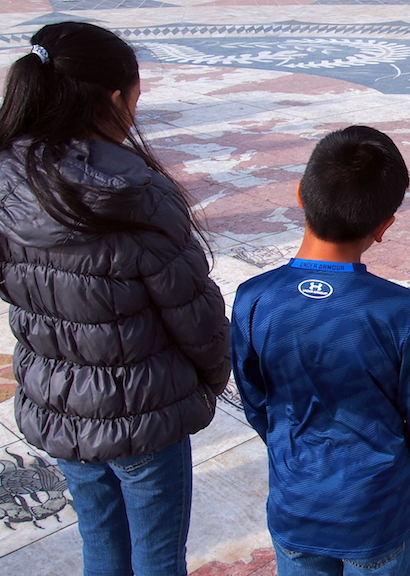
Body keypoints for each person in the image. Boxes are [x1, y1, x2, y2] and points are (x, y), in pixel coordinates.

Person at [0, 22, 230, 576]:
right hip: (142, 413)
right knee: (156, 556)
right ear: (113, 98)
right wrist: (212, 377)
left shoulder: (7, 176)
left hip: (55, 403)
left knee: (100, 543)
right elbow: (193, 313)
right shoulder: (134, 192)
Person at [231, 125, 410, 576]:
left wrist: (291, 452)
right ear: (384, 226)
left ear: (300, 194)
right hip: (375, 508)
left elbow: (255, 403)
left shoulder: (254, 298)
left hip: (296, 499)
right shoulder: (401, 311)